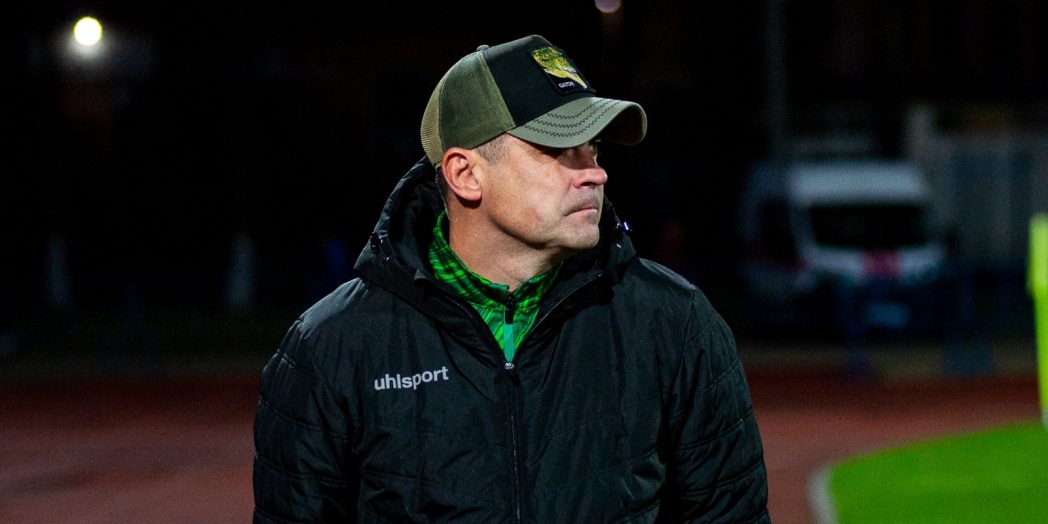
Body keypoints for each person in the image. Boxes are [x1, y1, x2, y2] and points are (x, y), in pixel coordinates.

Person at [253, 34, 769, 522]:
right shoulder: (332, 347)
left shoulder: (674, 324)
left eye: (593, 148)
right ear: (465, 174)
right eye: (558, 150)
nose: (595, 172)